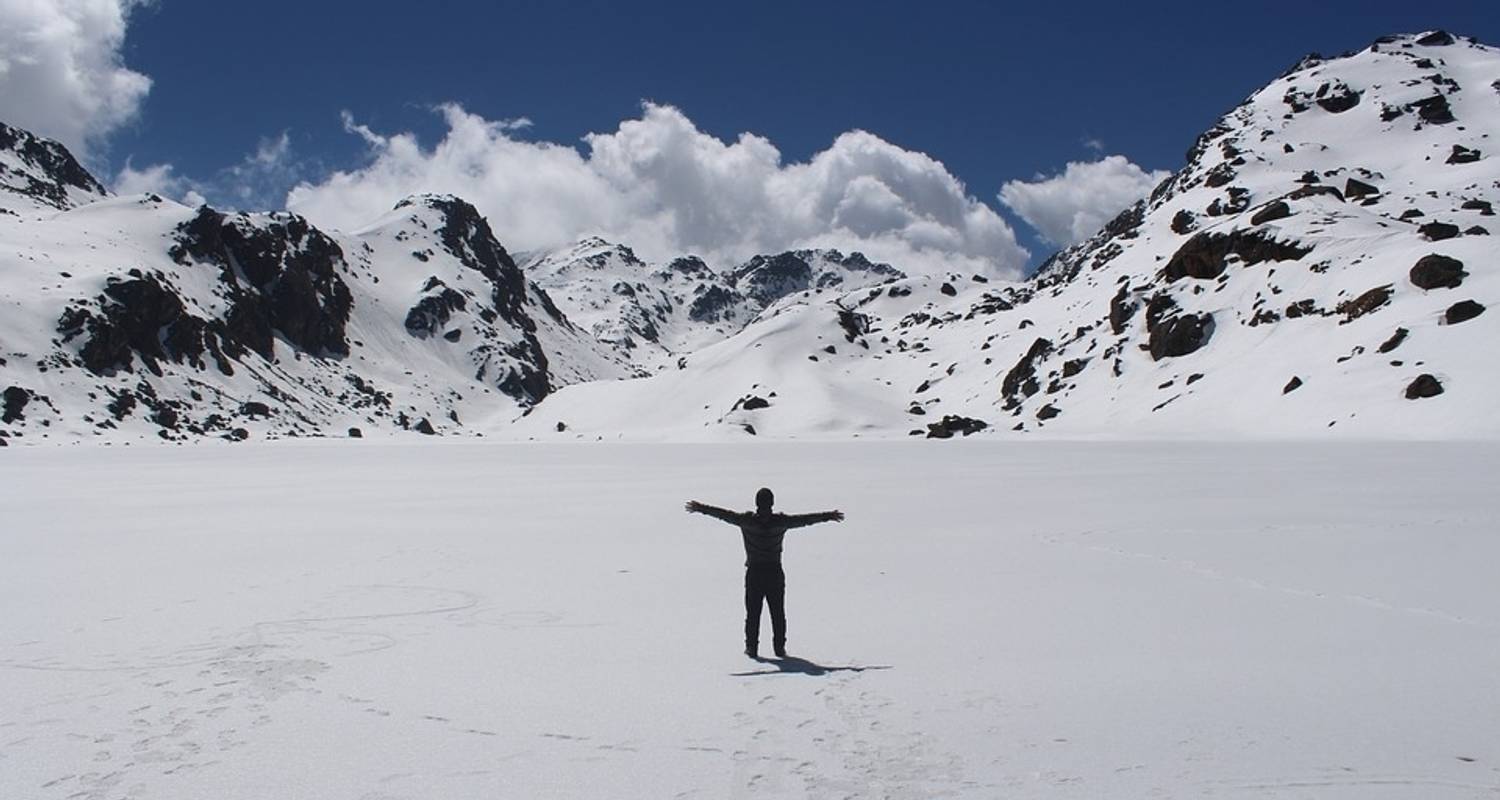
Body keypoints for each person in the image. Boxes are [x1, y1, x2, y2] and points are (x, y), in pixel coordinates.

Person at [685, 488, 844, 659]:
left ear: (756, 503)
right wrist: (828, 515)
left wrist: (701, 508)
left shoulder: (746, 521)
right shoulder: (780, 522)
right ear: (772, 503)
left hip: (754, 573)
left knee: (753, 613)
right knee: (777, 612)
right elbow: (805, 520)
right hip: (774, 572)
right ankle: (779, 648)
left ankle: (752, 648)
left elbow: (723, 515)